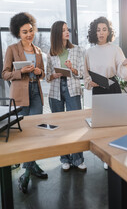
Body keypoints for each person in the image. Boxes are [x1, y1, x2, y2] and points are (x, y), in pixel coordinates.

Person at [2, 12, 48, 193]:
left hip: (36, 93)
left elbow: (42, 73)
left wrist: (38, 72)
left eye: (31, 30)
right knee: (23, 134)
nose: (29, 34)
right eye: (24, 32)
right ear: (17, 33)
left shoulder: (37, 50)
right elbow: (5, 74)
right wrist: (21, 72)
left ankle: (28, 171)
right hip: (21, 95)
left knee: (35, 133)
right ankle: (31, 169)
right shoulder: (12, 49)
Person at [84, 16, 127, 169]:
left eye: (104, 29)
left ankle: (116, 154)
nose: (101, 33)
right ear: (94, 32)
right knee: (101, 125)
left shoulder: (115, 49)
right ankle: (106, 156)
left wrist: (124, 64)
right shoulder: (89, 52)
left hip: (112, 86)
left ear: (108, 32)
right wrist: (89, 82)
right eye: (98, 30)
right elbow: (85, 74)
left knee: (116, 123)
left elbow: (123, 73)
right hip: (98, 89)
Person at [46, 20, 87, 171]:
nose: (67, 32)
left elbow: (81, 73)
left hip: (72, 88)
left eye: (67, 29)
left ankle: (78, 159)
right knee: (60, 126)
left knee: (76, 124)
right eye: (63, 30)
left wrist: (71, 68)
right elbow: (47, 77)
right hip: (56, 90)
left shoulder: (77, 50)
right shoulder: (51, 52)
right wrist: (54, 75)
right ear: (57, 33)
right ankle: (65, 158)